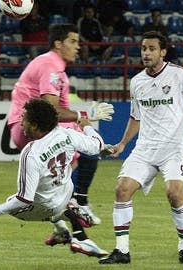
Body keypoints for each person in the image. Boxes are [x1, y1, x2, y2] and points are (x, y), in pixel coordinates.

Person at [98, 31, 183, 265]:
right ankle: (122, 251)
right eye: (143, 49)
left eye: (152, 49)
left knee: (174, 193)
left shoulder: (179, 75)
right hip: (145, 148)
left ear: (163, 52)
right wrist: (123, 144)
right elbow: (136, 117)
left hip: (175, 147)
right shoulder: (137, 82)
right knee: (122, 189)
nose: (146, 53)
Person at [7, 23, 114, 227]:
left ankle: (62, 224)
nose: (78, 47)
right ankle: (78, 202)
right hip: (31, 125)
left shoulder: (55, 67)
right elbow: (51, 110)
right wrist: (85, 115)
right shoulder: (51, 67)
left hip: (28, 125)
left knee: (70, 162)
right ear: (58, 44)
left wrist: (81, 121)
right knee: (87, 152)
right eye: (72, 41)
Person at [0, 98, 109, 257]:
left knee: (12, 202)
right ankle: (68, 228)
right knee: (56, 191)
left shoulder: (31, 153)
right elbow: (98, 146)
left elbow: (25, 199)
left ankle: (69, 216)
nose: (21, 122)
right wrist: (87, 126)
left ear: (35, 125)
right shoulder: (66, 133)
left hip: (47, 206)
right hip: (66, 193)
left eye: (24, 118)